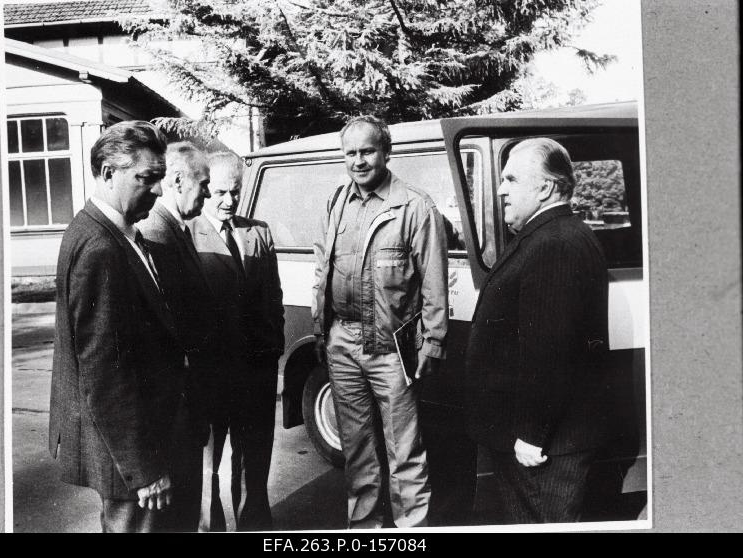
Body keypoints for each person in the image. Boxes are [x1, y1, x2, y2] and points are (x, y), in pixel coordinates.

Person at [49, 121, 198, 532]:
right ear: (108, 173)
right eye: (146, 179)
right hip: (134, 456)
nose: (157, 190)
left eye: (160, 179)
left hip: (150, 437)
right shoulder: (100, 248)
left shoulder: (120, 234)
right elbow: (104, 373)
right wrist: (144, 469)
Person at [311, 115, 449, 528]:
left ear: (387, 152)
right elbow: (323, 271)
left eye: (367, 151)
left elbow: (434, 282)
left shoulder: (415, 205)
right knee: (357, 448)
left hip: (392, 348)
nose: (358, 161)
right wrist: (323, 331)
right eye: (350, 153)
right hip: (342, 341)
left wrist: (434, 341)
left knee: (403, 450)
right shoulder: (336, 202)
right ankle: (366, 530)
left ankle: (410, 530)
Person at [465, 137, 609, 524]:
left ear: (545, 188)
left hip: (543, 447)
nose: (500, 189)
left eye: (510, 179)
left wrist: (531, 434)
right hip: (542, 439)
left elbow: (550, 351)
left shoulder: (555, 244)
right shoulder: (551, 235)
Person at [189, 151, 285, 531]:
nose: (229, 201)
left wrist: (273, 346)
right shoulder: (186, 235)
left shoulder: (258, 231)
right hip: (212, 375)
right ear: (204, 189)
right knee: (207, 464)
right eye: (220, 193)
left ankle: (255, 526)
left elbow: (273, 296)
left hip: (256, 371)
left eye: (236, 191)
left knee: (254, 458)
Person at [136, 141, 216, 531]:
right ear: (179, 180)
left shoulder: (176, 229)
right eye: (203, 184)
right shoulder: (156, 232)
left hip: (187, 401)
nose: (208, 193)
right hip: (174, 406)